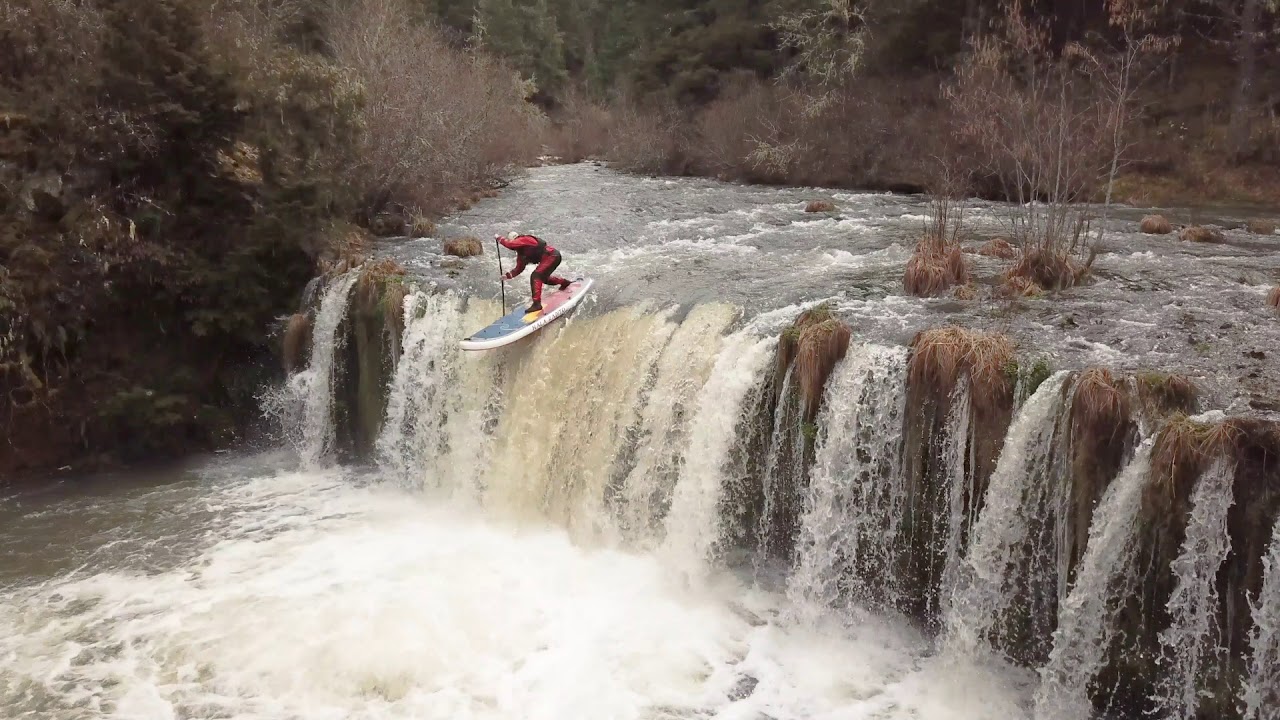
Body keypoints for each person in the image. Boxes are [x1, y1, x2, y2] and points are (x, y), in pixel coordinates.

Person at [497, 231, 571, 313]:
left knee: (535, 276)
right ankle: (564, 282)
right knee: (543, 279)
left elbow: (509, 244)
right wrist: (507, 276)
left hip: (552, 255)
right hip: (549, 258)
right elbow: (519, 269)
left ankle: (536, 304)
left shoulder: (524, 239)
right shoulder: (521, 255)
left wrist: (499, 238)